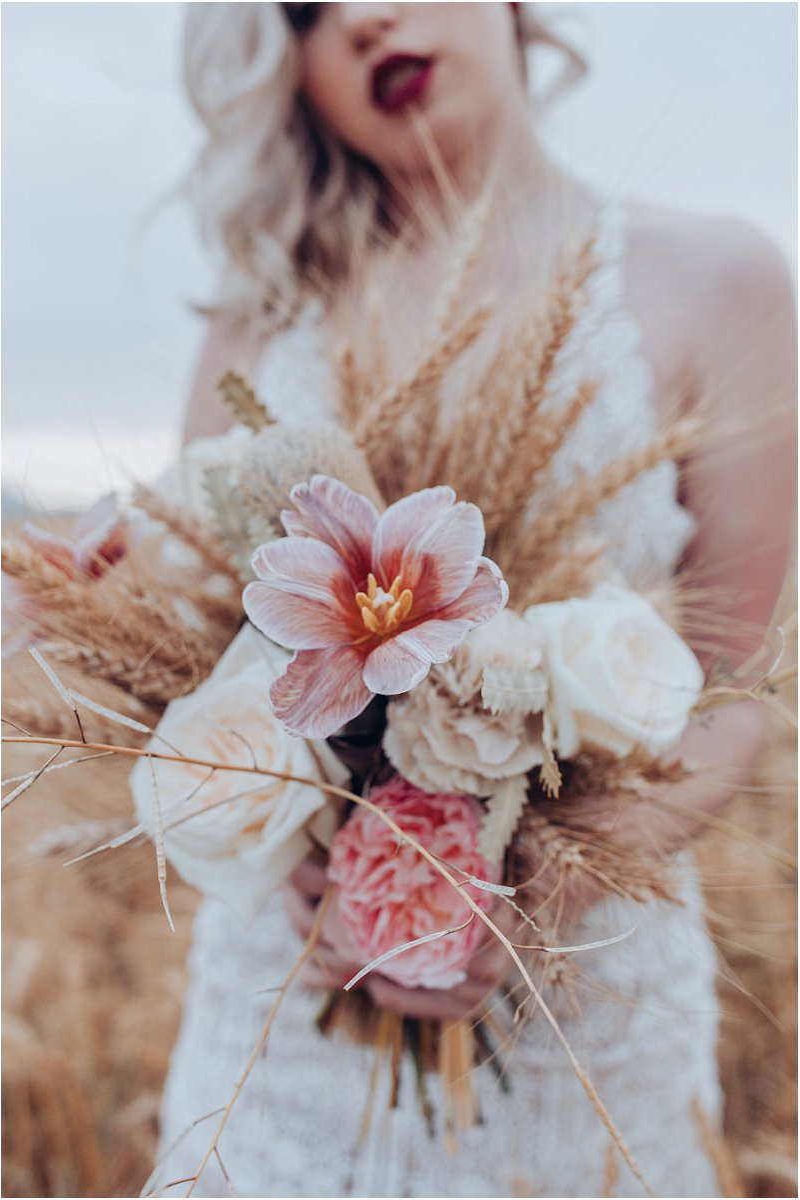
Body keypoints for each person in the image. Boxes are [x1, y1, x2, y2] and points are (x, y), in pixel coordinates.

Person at [152, 5, 795, 1197]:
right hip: (291, 1014)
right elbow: (210, 661)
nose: (364, 19)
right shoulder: (258, 322)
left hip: (584, 1001)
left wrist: (533, 876)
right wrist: (302, 852)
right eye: (304, 10)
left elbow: (734, 696)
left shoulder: (720, 280)